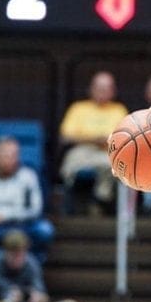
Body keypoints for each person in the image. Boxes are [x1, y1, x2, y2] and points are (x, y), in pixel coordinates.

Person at [59, 70, 129, 212]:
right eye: (99, 88)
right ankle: (72, 202)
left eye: (106, 88)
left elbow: (126, 138)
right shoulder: (78, 108)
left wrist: (104, 140)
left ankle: (99, 201)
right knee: (70, 163)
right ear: (91, 89)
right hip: (82, 151)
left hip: (108, 152)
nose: (102, 91)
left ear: (113, 91)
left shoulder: (119, 110)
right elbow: (65, 137)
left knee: (117, 165)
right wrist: (94, 139)